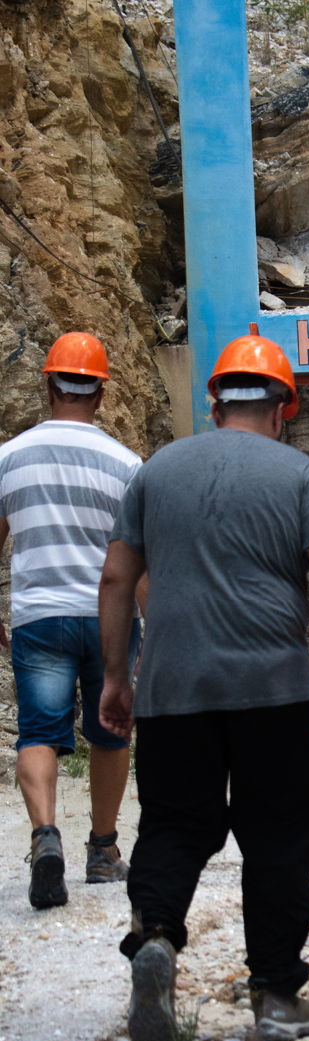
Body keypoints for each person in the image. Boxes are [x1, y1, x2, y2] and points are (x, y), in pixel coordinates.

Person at [98, 334, 309, 1041]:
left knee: (172, 823)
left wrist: (116, 677)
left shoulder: (157, 471)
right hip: (271, 691)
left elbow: (113, 579)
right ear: (284, 408)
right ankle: (278, 996)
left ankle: (157, 937)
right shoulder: (300, 476)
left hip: (172, 691)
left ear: (214, 401)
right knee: (280, 833)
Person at [0, 332, 144, 910]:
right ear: (101, 393)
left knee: (38, 732)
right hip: (109, 616)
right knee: (111, 731)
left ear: (47, 383)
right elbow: (139, 558)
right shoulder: (126, 464)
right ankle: (104, 851)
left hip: (39, 617)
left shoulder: (8, 457)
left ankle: (44, 836)